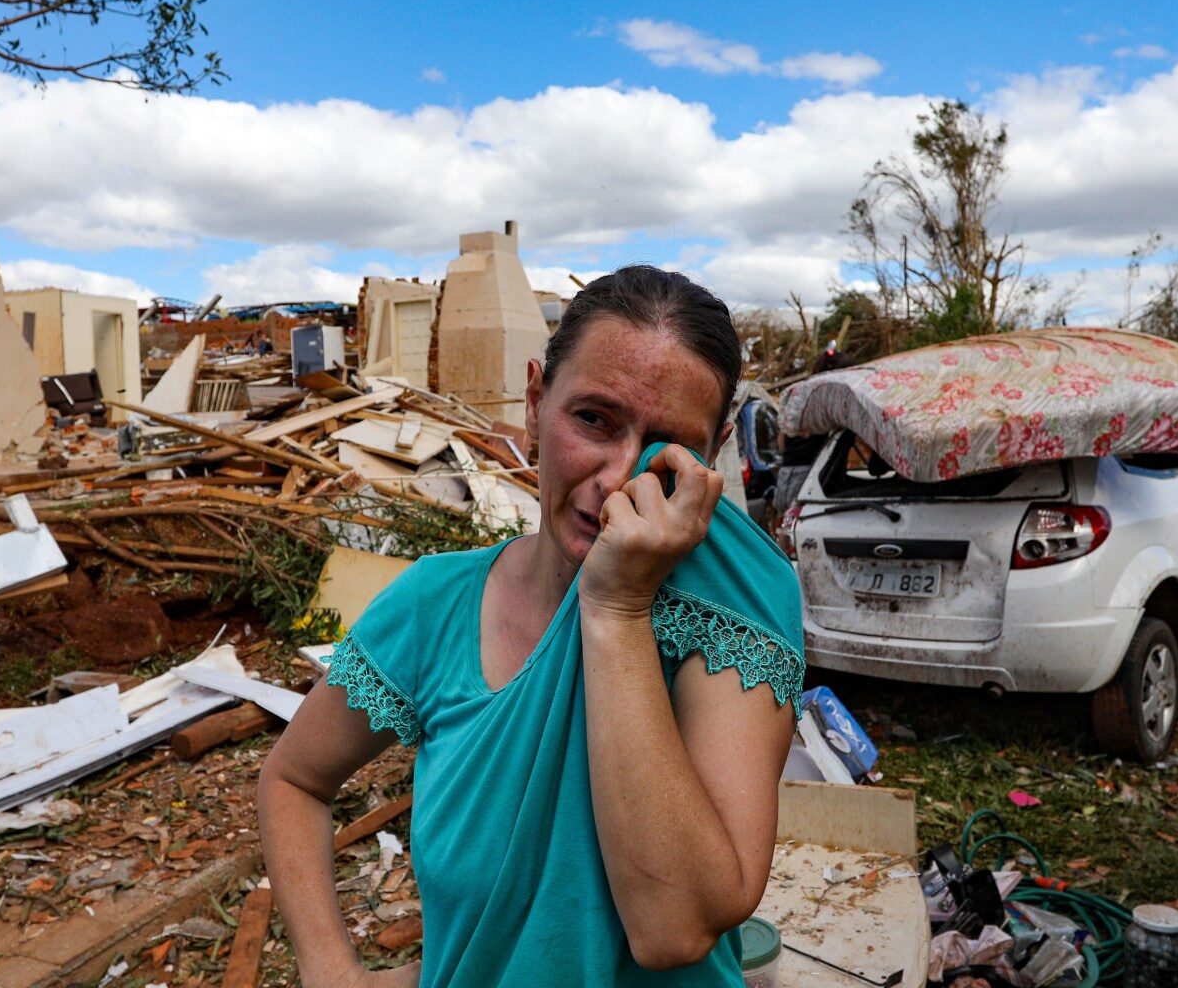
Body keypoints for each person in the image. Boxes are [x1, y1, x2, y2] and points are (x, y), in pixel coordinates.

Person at [258, 265, 805, 987]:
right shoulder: (435, 606)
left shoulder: (734, 611)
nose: (616, 479)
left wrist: (616, 608)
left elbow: (675, 927)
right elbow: (293, 780)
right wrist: (333, 969)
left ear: (713, 452)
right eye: (593, 420)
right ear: (534, 401)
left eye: (663, 446)